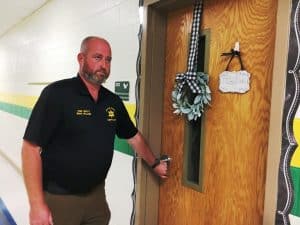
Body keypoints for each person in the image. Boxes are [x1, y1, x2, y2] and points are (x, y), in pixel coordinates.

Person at [21, 36, 168, 225]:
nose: (104, 65)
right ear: (81, 59)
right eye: (97, 57)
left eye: (108, 60)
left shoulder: (112, 102)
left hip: (96, 199)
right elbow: (30, 148)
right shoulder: (57, 94)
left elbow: (133, 137)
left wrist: (154, 164)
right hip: (60, 199)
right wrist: (36, 205)